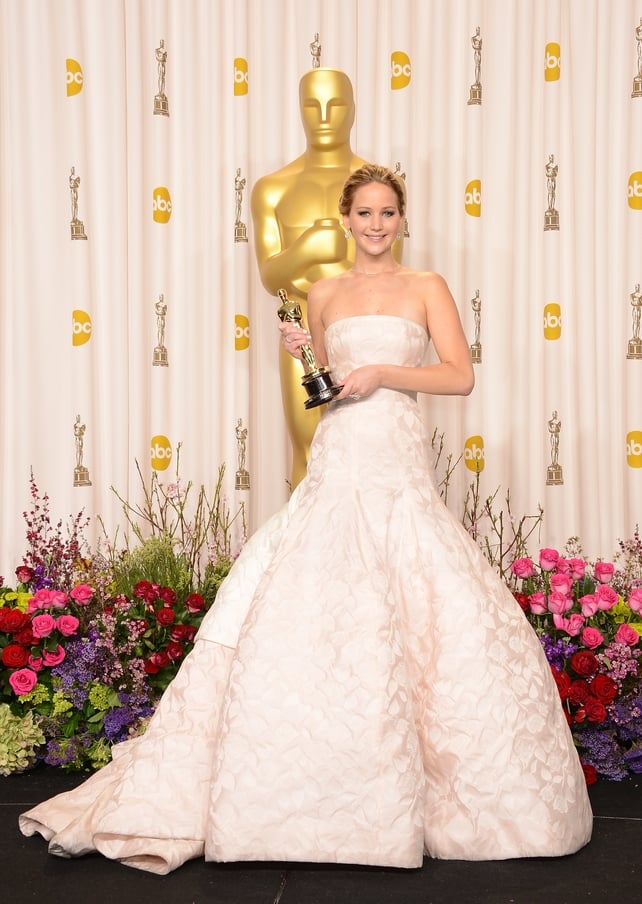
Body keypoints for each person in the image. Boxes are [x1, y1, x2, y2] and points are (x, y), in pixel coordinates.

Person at [19, 164, 592, 875]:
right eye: (366, 214)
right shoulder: (322, 292)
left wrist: (385, 373)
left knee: (421, 584)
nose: (377, 224)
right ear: (346, 221)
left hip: (397, 448)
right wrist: (305, 359)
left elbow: (458, 375)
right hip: (342, 448)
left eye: (388, 213)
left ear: (400, 219)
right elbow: (330, 390)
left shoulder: (426, 287)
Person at [251, 68, 399, 488]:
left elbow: (392, 273)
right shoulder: (272, 189)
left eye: (335, 106)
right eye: (311, 106)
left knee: (372, 451)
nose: (323, 117)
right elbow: (270, 276)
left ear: (353, 111)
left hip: (366, 328)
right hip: (301, 333)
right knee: (308, 447)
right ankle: (304, 552)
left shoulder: (378, 186)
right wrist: (306, 249)